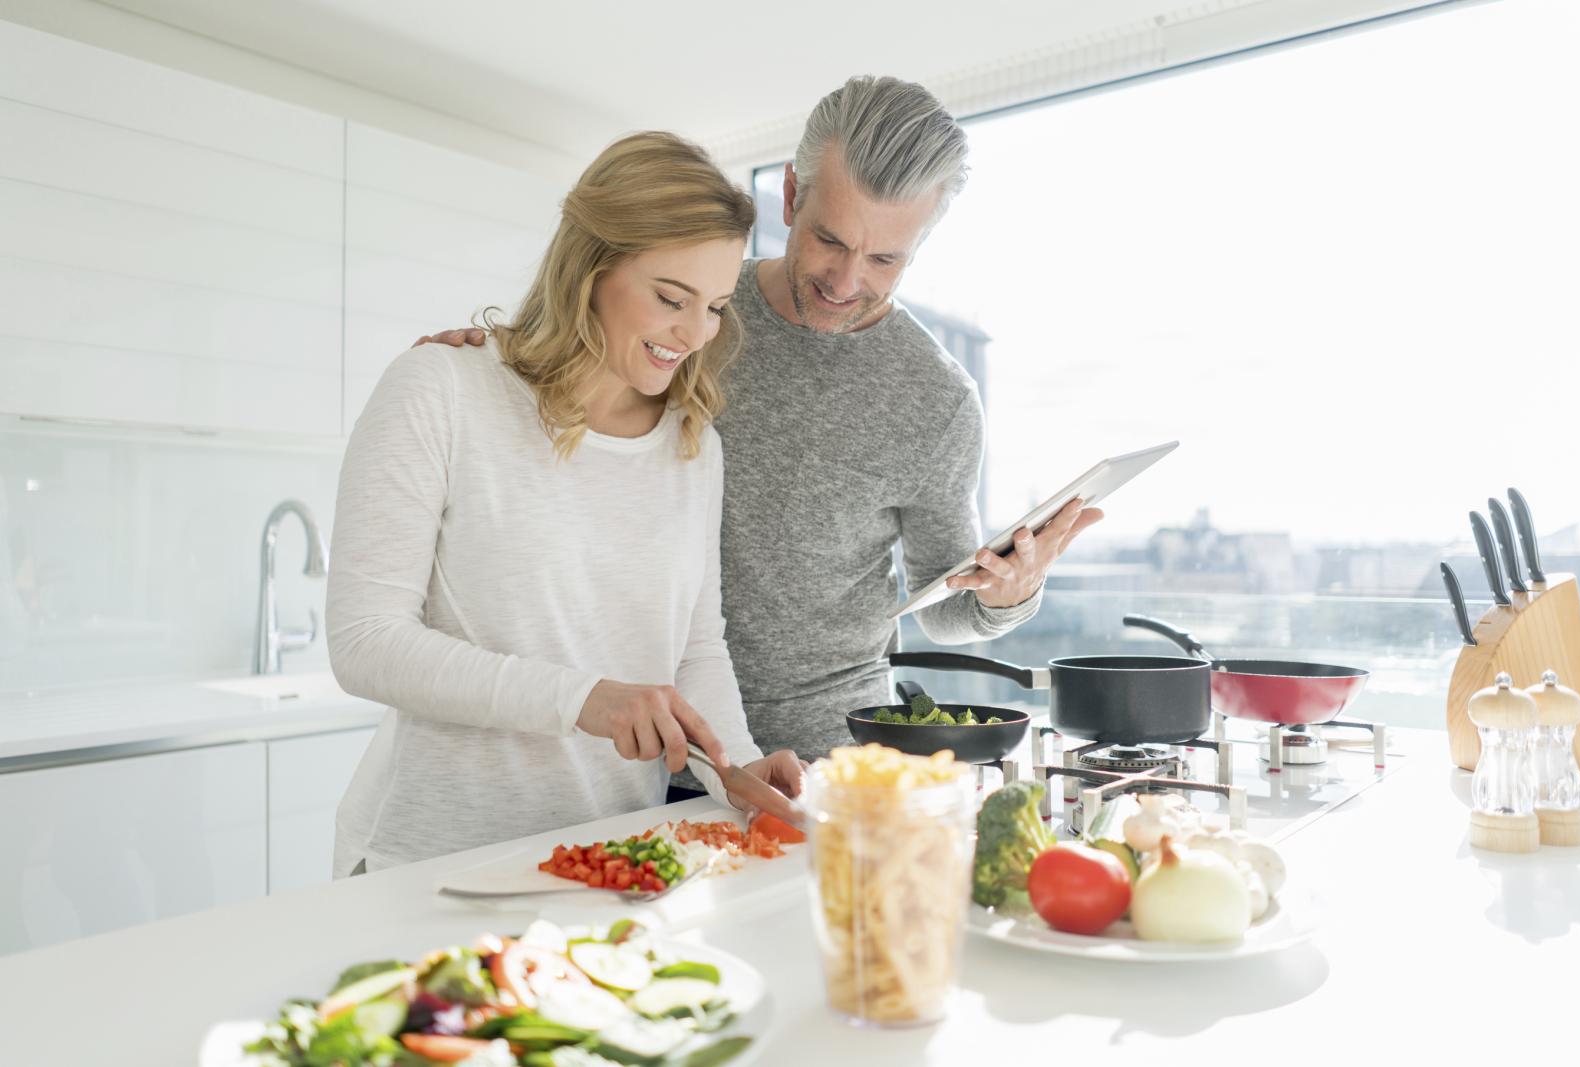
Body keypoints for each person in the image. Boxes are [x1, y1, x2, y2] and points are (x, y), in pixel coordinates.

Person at [421, 77, 1104, 764]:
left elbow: (942, 605)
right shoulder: (699, 306)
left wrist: (1009, 594)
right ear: (790, 195)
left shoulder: (937, 397)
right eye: (829, 240)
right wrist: (494, 367)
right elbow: (577, 369)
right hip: (627, 738)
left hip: (816, 759)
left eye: (884, 259)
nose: (844, 282)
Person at [327, 131, 803, 876]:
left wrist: (736, 771)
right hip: (430, 861)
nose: (694, 333)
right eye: (670, 298)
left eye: (714, 305)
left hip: (610, 861)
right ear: (590, 265)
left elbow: (694, 647)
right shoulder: (443, 390)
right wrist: (585, 699)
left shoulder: (692, 444)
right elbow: (364, 642)